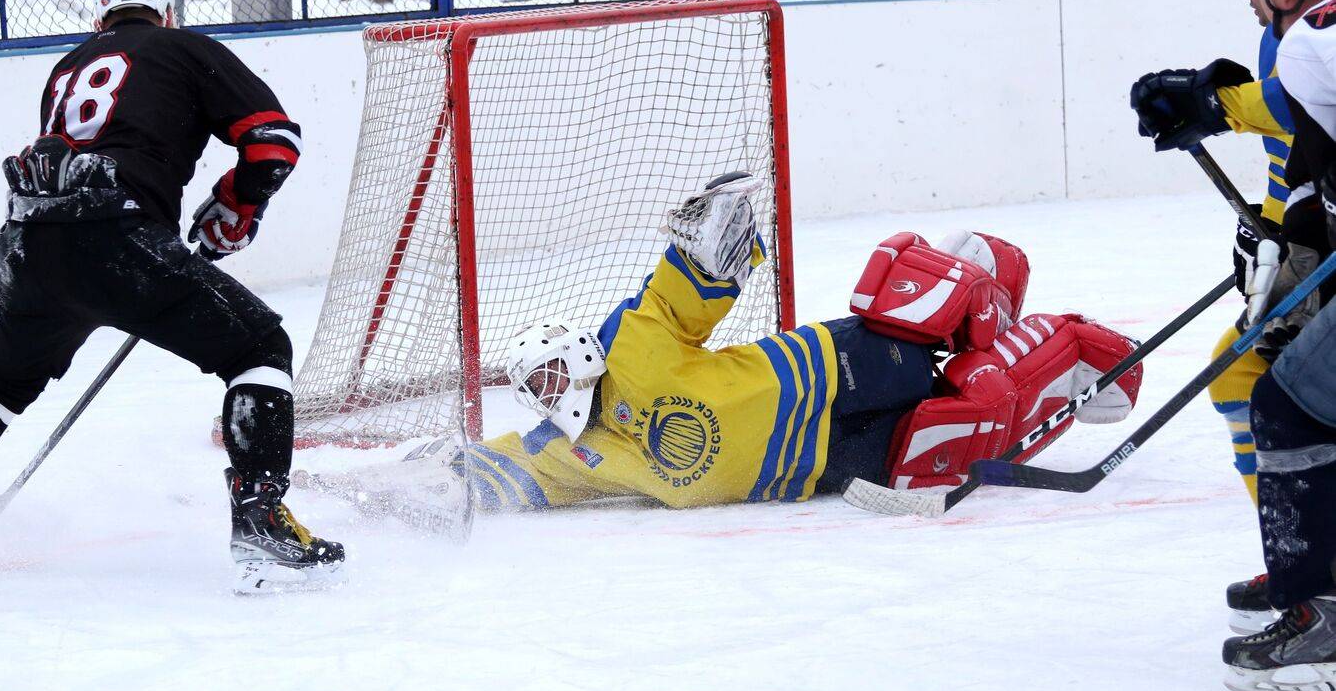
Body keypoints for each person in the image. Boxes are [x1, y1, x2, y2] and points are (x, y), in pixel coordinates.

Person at [0, 0, 344, 594]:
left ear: (98, 16)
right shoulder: (185, 48)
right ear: (167, 12)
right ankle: (260, 516)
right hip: (117, 237)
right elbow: (273, 148)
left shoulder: (66, 69)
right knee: (259, 347)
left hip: (29, 244)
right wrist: (237, 205)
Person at [435, 174, 1143, 513]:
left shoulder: (630, 342)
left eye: (554, 369)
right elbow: (501, 473)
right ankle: (1061, 362)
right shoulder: (572, 454)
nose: (556, 388)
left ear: (575, 347)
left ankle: (1008, 288)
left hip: (834, 370)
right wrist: (430, 481)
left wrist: (714, 229)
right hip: (824, 464)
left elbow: (688, 283)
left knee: (914, 299)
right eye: (541, 387)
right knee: (966, 415)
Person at [1132, 0, 1336, 691]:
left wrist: (1210, 102)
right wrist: (1287, 231)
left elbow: (1288, 103)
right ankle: (1307, 572)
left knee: (1278, 397)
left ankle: (1315, 598)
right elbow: (1306, 153)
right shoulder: (1304, 36)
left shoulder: (1316, 41)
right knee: (1251, 377)